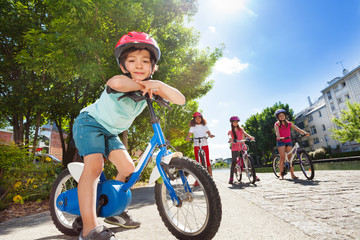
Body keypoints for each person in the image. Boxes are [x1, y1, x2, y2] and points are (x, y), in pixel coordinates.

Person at [73, 31, 185, 240]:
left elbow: (180, 100)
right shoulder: (122, 82)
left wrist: (159, 85)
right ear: (124, 67)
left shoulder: (152, 87)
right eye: (132, 61)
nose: (139, 65)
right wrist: (146, 86)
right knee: (95, 167)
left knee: (128, 168)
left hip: (110, 132)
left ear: (153, 67)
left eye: (145, 61)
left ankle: (114, 210)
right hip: (89, 123)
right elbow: (115, 83)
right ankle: (89, 229)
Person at [274, 109, 310, 180]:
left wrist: (304, 132)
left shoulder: (289, 123)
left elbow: (297, 129)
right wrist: (279, 137)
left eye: (283, 115)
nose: (282, 117)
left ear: (285, 116)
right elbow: (277, 132)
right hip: (281, 141)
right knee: (282, 158)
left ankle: (292, 175)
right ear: (278, 117)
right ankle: (281, 175)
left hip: (288, 141)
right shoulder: (277, 124)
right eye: (280, 116)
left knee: (290, 158)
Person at [228, 116, 256, 184]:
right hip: (235, 147)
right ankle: (231, 178)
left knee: (247, 158)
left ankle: (254, 175)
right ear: (231, 123)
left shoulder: (241, 129)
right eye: (234, 122)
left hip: (242, 145)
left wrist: (250, 137)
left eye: (236, 122)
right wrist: (231, 139)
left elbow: (245, 133)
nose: (235, 123)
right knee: (234, 162)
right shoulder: (230, 131)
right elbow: (229, 136)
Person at [185, 112, 215, 176]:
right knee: (197, 162)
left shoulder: (204, 126)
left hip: (204, 144)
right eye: (196, 118)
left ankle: (211, 176)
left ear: (201, 118)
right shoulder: (193, 127)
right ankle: (198, 179)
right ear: (194, 120)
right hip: (196, 145)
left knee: (207, 160)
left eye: (199, 118)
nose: (198, 119)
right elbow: (189, 134)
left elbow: (208, 132)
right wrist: (188, 137)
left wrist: (210, 135)